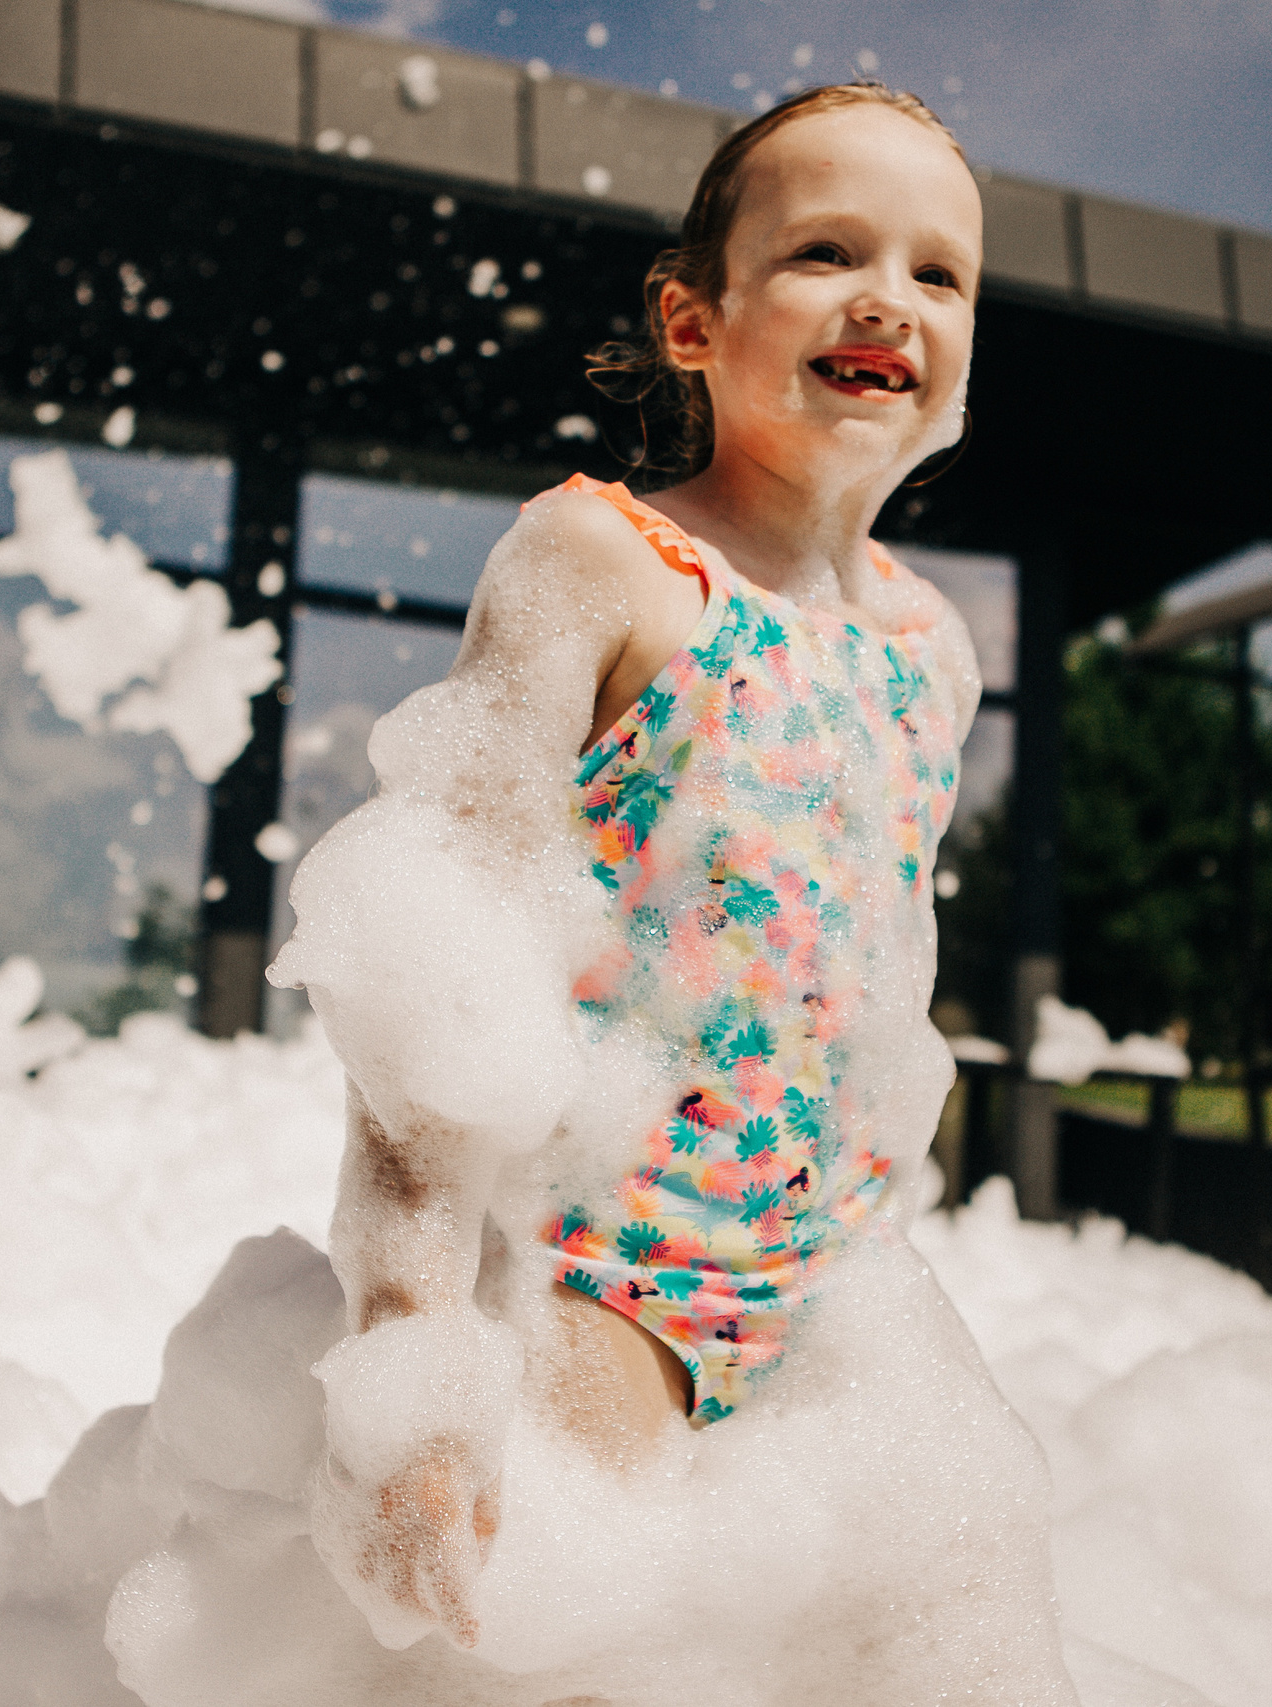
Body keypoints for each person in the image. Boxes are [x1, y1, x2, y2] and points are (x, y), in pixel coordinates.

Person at [254, 82, 1077, 1704]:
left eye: (938, 273)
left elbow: (872, 1002)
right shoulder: (602, 564)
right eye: (827, 252)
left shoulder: (932, 653)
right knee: (566, 1660)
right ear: (693, 321)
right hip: (602, 1269)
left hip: (833, 1299)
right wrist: (416, 1374)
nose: (887, 300)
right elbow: (436, 983)